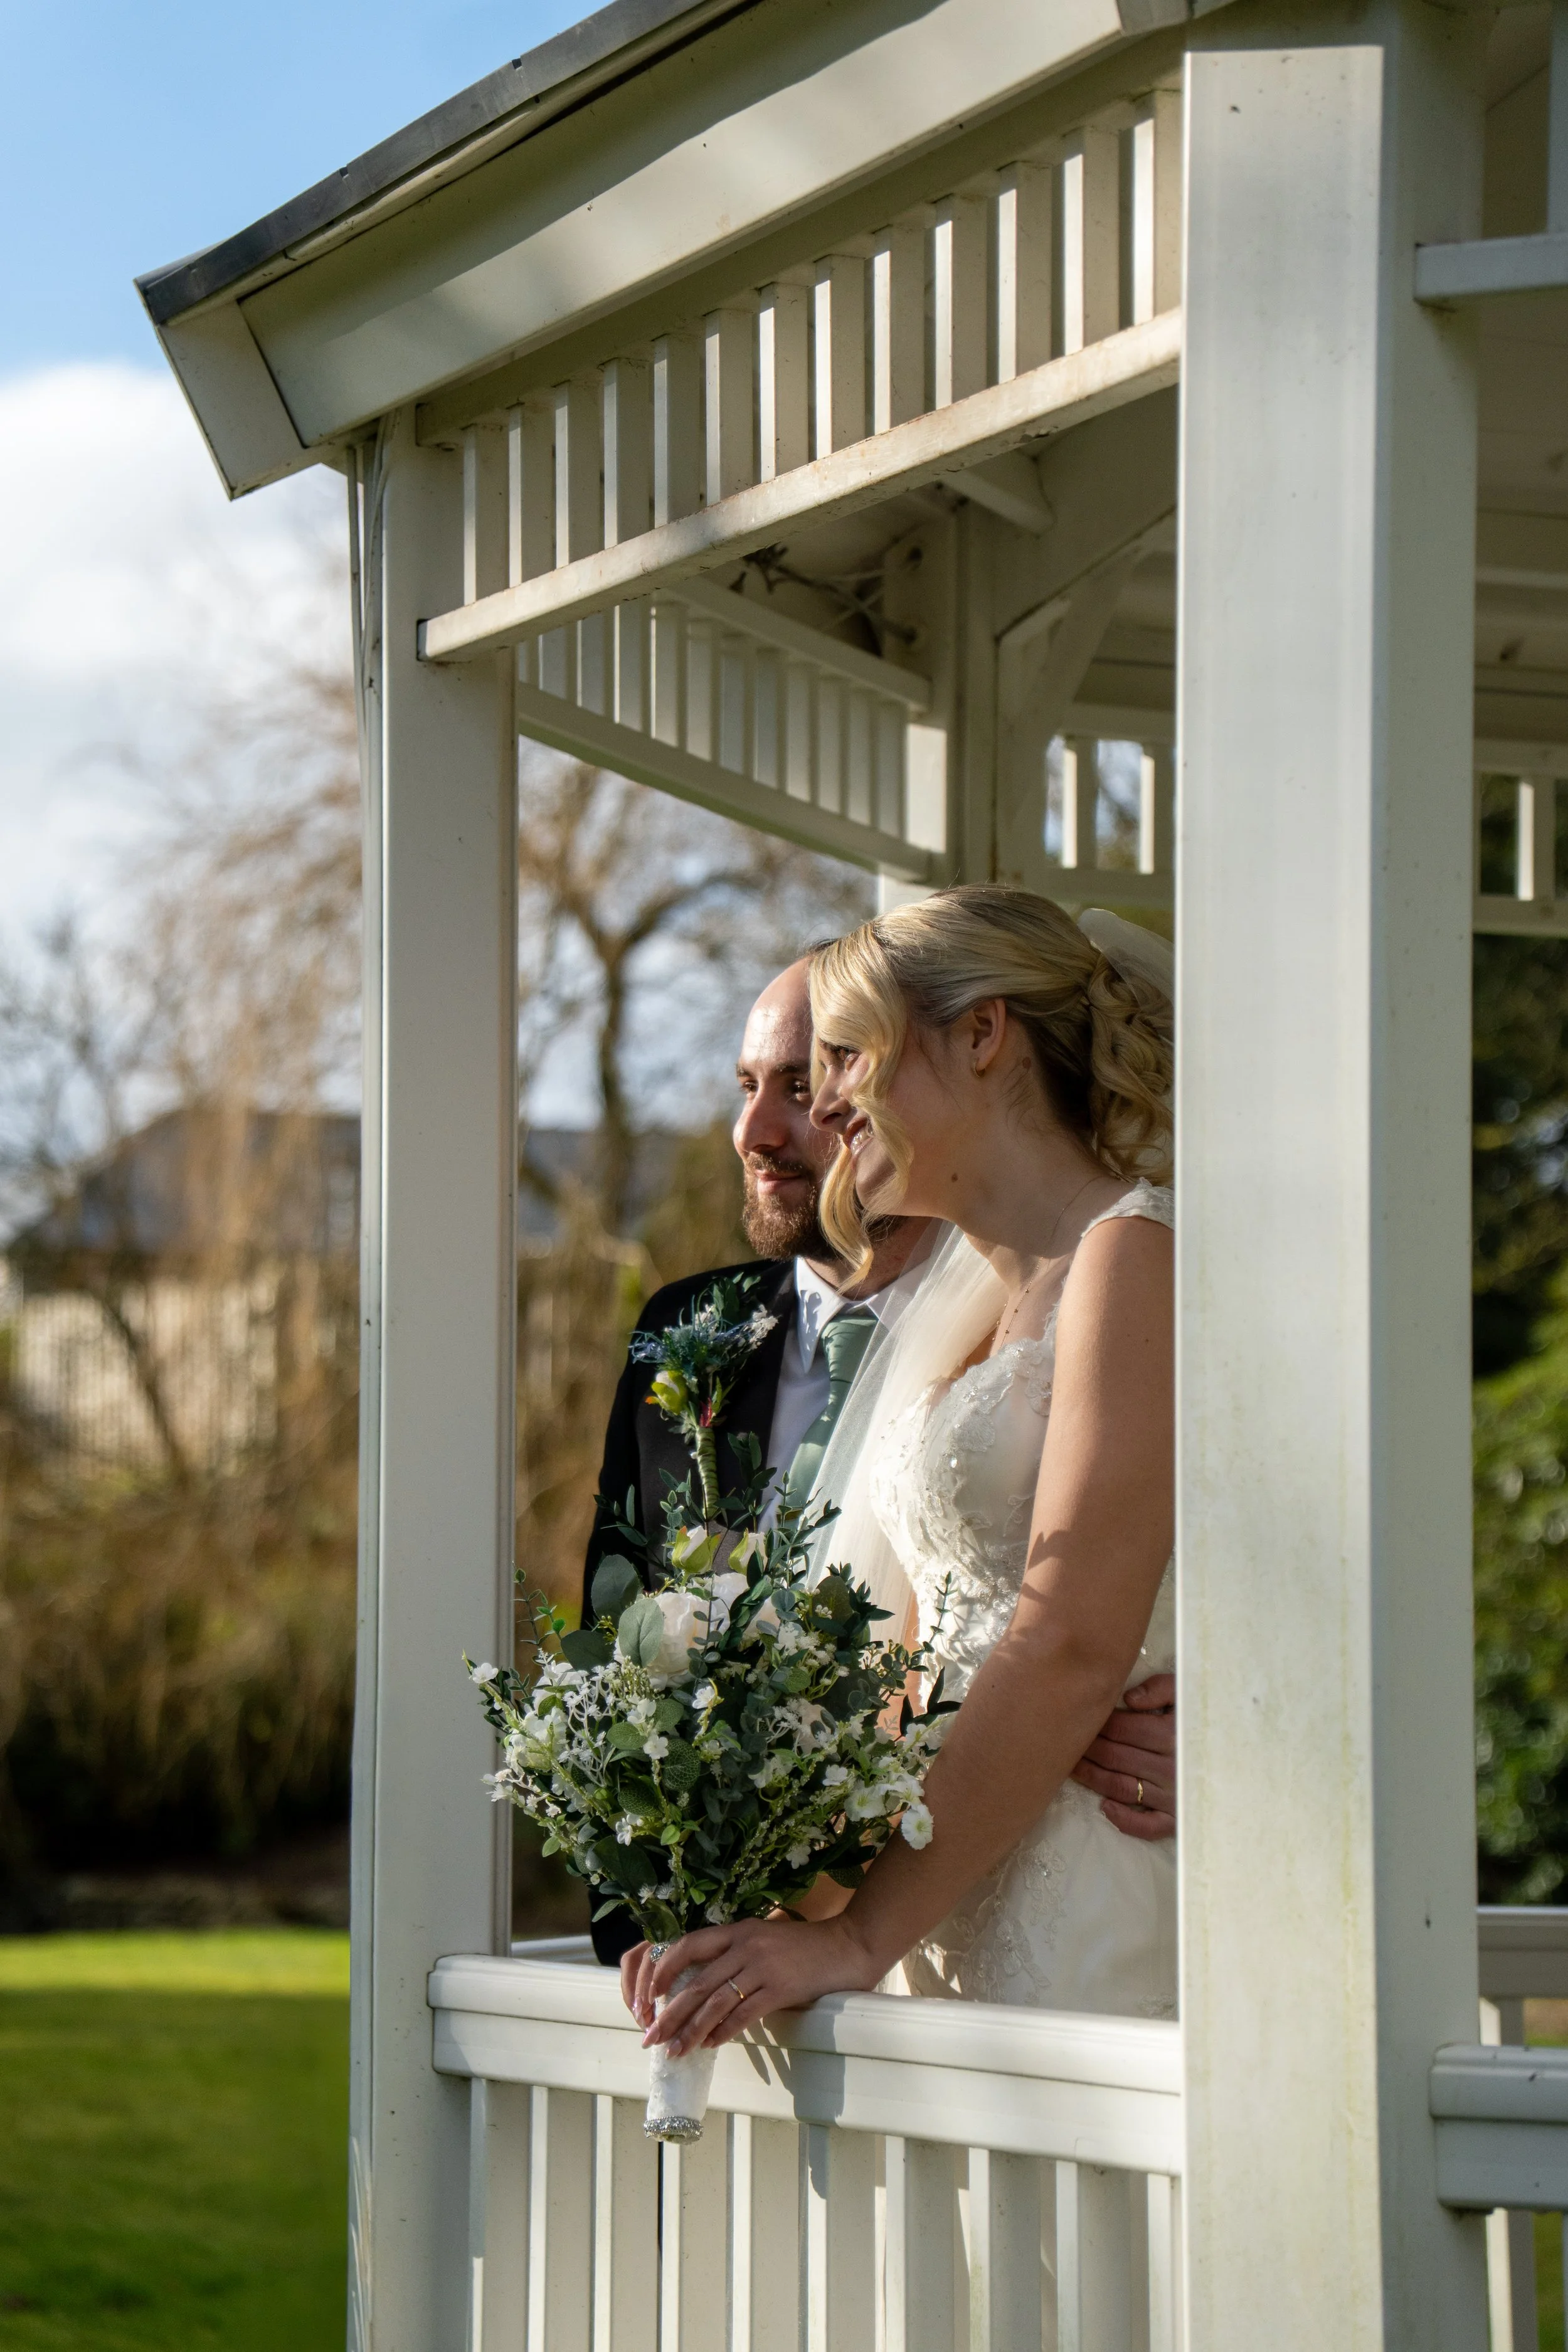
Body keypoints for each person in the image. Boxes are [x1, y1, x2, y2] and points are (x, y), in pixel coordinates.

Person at [626, 888, 1179, 2048]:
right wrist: (780, 1888)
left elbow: (1071, 1637)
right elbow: (917, 1651)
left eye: (848, 1057)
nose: (824, 1105)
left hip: (1085, 1884)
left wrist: (854, 1939)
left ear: (983, 1036)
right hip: (947, 1880)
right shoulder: (971, 1302)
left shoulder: (1133, 1255)